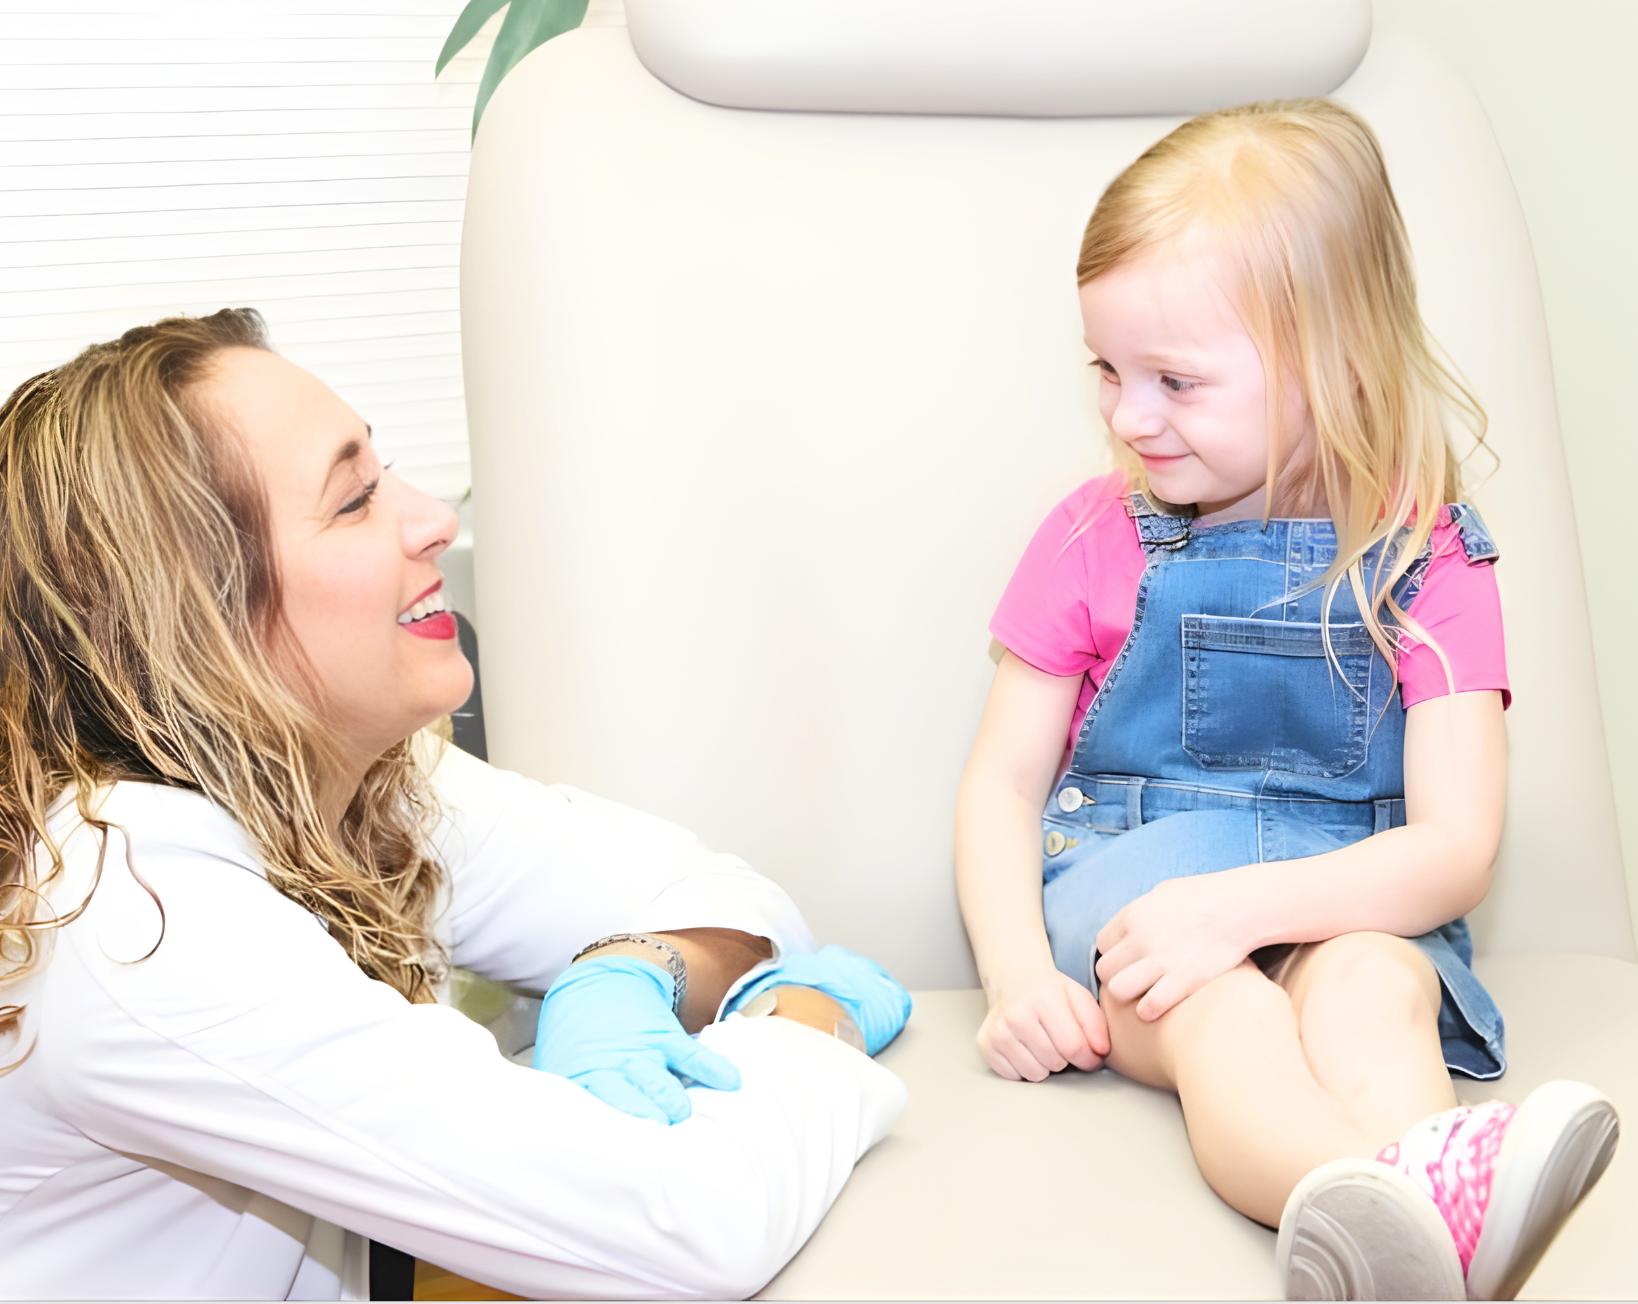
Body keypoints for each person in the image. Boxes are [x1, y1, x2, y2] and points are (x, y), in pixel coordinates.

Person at [0, 309, 911, 1300]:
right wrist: (809, 1017)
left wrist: (629, 969)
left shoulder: (350, 774)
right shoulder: (132, 915)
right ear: (192, 616)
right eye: (354, 499)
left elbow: (734, 900)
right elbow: (690, 1227)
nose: (431, 515)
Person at [954, 100, 1618, 1301]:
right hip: (1139, 910)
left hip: (1348, 896)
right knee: (1230, 1021)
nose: (1125, 414)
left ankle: (1406, 1247)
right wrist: (1016, 974)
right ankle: (1424, 1220)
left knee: (1376, 986)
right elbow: (1002, 782)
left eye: (1175, 380)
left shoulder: (1430, 560)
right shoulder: (1092, 536)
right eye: (1106, 370)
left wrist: (1256, 903)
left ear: (1335, 359)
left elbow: (1456, 847)